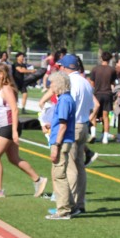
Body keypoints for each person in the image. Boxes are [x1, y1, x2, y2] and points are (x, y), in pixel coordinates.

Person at [0, 62, 48, 199]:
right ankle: (38, 180)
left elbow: (14, 109)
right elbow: (4, 108)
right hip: (7, 126)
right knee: (14, 159)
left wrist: (15, 132)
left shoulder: (7, 89)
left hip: (8, 127)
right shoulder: (0, 89)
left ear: (1, 74)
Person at [60, 54, 95, 215]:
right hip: (84, 124)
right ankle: (80, 203)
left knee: (71, 167)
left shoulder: (71, 82)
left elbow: (68, 106)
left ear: (65, 67)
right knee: (80, 166)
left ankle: (72, 205)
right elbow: (91, 106)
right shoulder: (85, 82)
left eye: (61, 66)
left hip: (73, 126)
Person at [45, 72, 77, 220]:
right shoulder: (67, 98)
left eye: (52, 83)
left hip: (61, 141)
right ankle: (70, 206)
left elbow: (63, 125)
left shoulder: (64, 100)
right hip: (65, 139)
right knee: (60, 174)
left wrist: (56, 145)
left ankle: (63, 210)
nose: (50, 86)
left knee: (59, 175)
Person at [88, 51, 118, 144]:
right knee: (105, 116)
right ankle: (105, 138)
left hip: (97, 94)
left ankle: (93, 134)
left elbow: (92, 83)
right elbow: (113, 83)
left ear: (101, 58)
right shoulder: (112, 70)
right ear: (110, 59)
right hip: (107, 94)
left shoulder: (95, 69)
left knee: (94, 115)